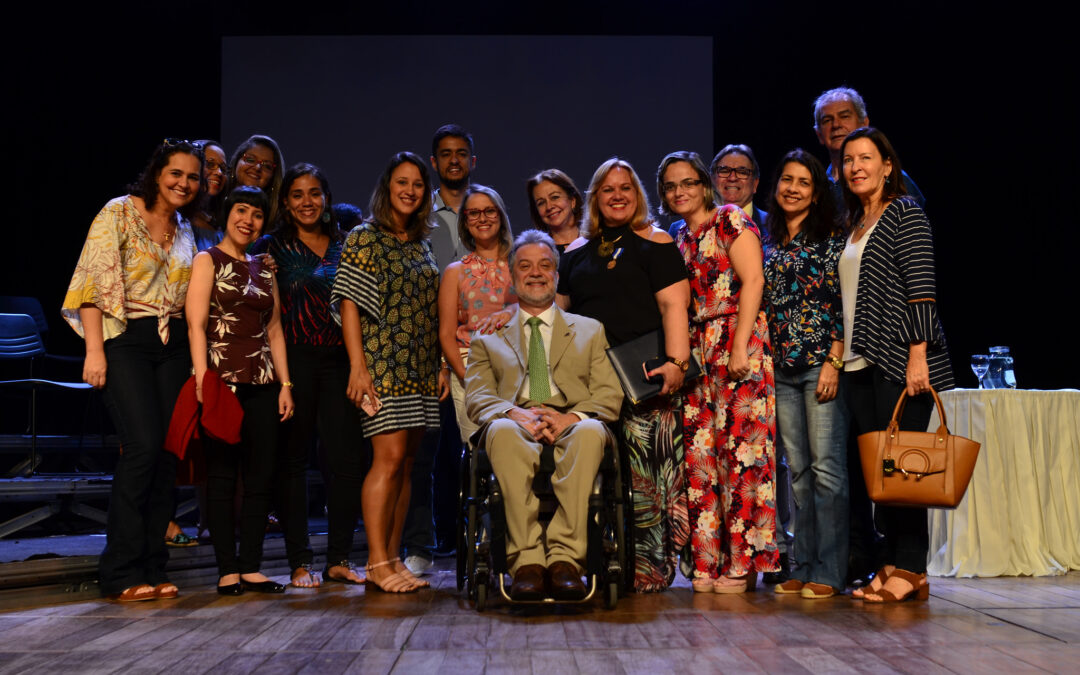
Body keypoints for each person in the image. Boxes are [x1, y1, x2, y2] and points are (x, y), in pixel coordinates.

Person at [63, 138, 202, 602]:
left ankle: (152, 565)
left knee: (165, 455)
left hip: (173, 344)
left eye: (193, 177)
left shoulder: (185, 228)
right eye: (176, 173)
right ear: (157, 172)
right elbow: (92, 282)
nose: (184, 183)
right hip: (125, 338)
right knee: (141, 446)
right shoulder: (119, 212)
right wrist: (95, 351)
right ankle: (120, 570)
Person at [557, 158, 691, 592]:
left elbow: (674, 308)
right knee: (593, 476)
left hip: (643, 377)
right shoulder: (575, 252)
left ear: (637, 196)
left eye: (626, 188)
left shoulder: (656, 242)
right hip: (587, 383)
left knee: (646, 478)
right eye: (608, 189)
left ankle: (649, 569)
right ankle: (595, 562)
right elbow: (556, 317)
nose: (617, 196)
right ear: (595, 199)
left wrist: (677, 362)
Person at [465, 230, 623, 600]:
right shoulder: (488, 336)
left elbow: (609, 394)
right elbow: (477, 397)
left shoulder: (589, 330)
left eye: (545, 265)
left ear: (555, 274)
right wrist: (514, 413)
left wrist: (572, 418)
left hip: (571, 419)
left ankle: (566, 560)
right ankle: (527, 562)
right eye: (525, 266)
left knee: (590, 432)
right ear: (512, 276)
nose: (535, 273)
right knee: (501, 431)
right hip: (515, 419)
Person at [838, 127, 954, 603]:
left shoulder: (905, 213)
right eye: (848, 160)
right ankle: (891, 563)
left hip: (900, 358)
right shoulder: (855, 224)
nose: (856, 167)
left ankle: (911, 567)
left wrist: (918, 352)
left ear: (888, 166)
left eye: (866, 158)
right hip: (858, 362)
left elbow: (921, 285)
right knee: (881, 474)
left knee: (906, 469)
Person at [659, 151, 778, 594]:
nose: (679, 192)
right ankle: (709, 560)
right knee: (702, 459)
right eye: (670, 186)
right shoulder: (677, 236)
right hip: (696, 349)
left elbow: (754, 280)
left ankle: (744, 564)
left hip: (734, 338)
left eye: (687, 182)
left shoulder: (729, 219)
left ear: (704, 184)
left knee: (743, 456)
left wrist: (741, 345)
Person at [332, 151, 448, 593]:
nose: (411, 191)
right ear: (388, 187)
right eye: (403, 182)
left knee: (408, 465)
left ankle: (393, 558)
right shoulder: (366, 236)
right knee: (388, 460)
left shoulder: (419, 242)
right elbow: (348, 304)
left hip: (418, 366)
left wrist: (439, 364)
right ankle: (377, 562)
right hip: (382, 364)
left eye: (418, 184)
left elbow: (429, 310)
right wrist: (358, 368)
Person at [251, 163, 366, 588]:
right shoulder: (270, 245)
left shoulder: (347, 243)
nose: (307, 202)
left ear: (327, 197)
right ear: (285, 202)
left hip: (340, 361)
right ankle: (300, 561)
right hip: (292, 361)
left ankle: (338, 557)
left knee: (346, 461)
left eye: (314, 193)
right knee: (293, 463)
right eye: (297, 194)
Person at [186, 186, 294, 596]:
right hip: (222, 378)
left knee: (260, 476)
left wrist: (286, 384)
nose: (248, 220)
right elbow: (195, 323)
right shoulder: (207, 259)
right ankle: (227, 569)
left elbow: (275, 329)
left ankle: (251, 566)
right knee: (222, 475)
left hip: (263, 379)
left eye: (257, 215)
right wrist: (201, 379)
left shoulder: (264, 267)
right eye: (241, 211)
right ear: (227, 214)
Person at [762, 149, 849, 599]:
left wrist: (835, 360)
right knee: (797, 472)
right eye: (786, 180)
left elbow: (843, 304)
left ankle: (831, 571)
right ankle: (802, 563)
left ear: (816, 194)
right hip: (780, 368)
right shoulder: (768, 239)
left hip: (820, 365)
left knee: (827, 471)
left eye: (803, 182)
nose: (792, 188)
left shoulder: (832, 238)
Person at [402, 124, 477, 577]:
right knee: (427, 452)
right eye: (445, 154)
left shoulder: (484, 211)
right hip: (423, 348)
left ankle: (471, 535)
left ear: (473, 160)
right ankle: (427, 542)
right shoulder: (416, 214)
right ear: (434, 162)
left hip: (475, 351)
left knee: (468, 448)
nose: (453, 160)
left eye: (461, 153)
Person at [438, 184, 516, 443]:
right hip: (471, 368)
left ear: (501, 216)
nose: (482, 218)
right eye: (474, 213)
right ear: (466, 222)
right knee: (479, 452)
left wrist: (513, 311)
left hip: (520, 367)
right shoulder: (455, 271)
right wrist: (465, 376)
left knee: (520, 447)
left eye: (489, 211)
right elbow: (447, 334)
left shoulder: (522, 264)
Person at [812, 87, 925, 209]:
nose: (836, 125)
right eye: (827, 120)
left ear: (864, 124)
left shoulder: (890, 177)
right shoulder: (815, 186)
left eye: (844, 116)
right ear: (819, 135)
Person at [229, 134, 285, 223]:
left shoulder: (278, 222)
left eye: (267, 166)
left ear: (273, 177)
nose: (257, 167)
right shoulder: (214, 205)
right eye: (250, 160)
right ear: (236, 162)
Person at [526, 169, 586, 253]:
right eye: (541, 203)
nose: (549, 207)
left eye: (555, 197)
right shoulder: (538, 253)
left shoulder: (596, 241)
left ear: (572, 200)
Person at [190, 139, 230, 251]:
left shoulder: (222, 223)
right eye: (210, 164)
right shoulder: (176, 216)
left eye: (223, 168)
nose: (219, 173)